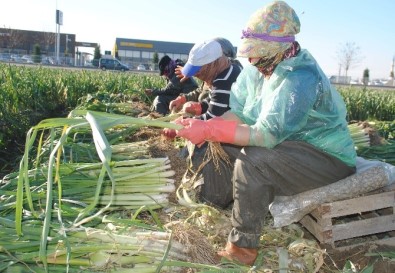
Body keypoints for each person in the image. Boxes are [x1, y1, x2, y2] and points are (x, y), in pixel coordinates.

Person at [171, 1, 357, 266]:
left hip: (325, 156)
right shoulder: (261, 71)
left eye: (257, 53)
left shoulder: (299, 77)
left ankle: (242, 248)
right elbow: (243, 112)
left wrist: (211, 128)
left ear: (277, 49)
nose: (252, 59)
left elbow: (267, 135)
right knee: (223, 145)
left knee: (252, 161)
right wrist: (207, 128)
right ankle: (217, 200)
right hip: (291, 146)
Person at [168, 38, 242, 119]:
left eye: (198, 70)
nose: (196, 75)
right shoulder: (230, 69)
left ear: (213, 63)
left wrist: (185, 122)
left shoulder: (223, 81)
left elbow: (213, 118)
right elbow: (215, 98)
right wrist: (201, 106)